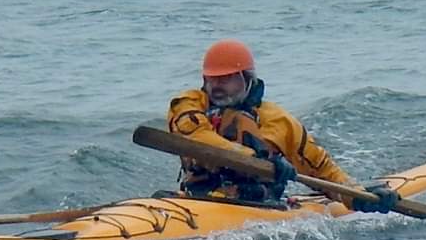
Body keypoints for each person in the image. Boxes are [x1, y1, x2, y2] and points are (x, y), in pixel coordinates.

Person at [167, 39, 401, 211]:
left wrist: (357, 195)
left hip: (257, 205)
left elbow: (323, 170)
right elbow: (198, 138)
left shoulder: (280, 122)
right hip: (199, 198)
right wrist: (257, 159)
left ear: (248, 79)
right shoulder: (188, 106)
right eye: (212, 78)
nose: (217, 85)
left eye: (226, 78)